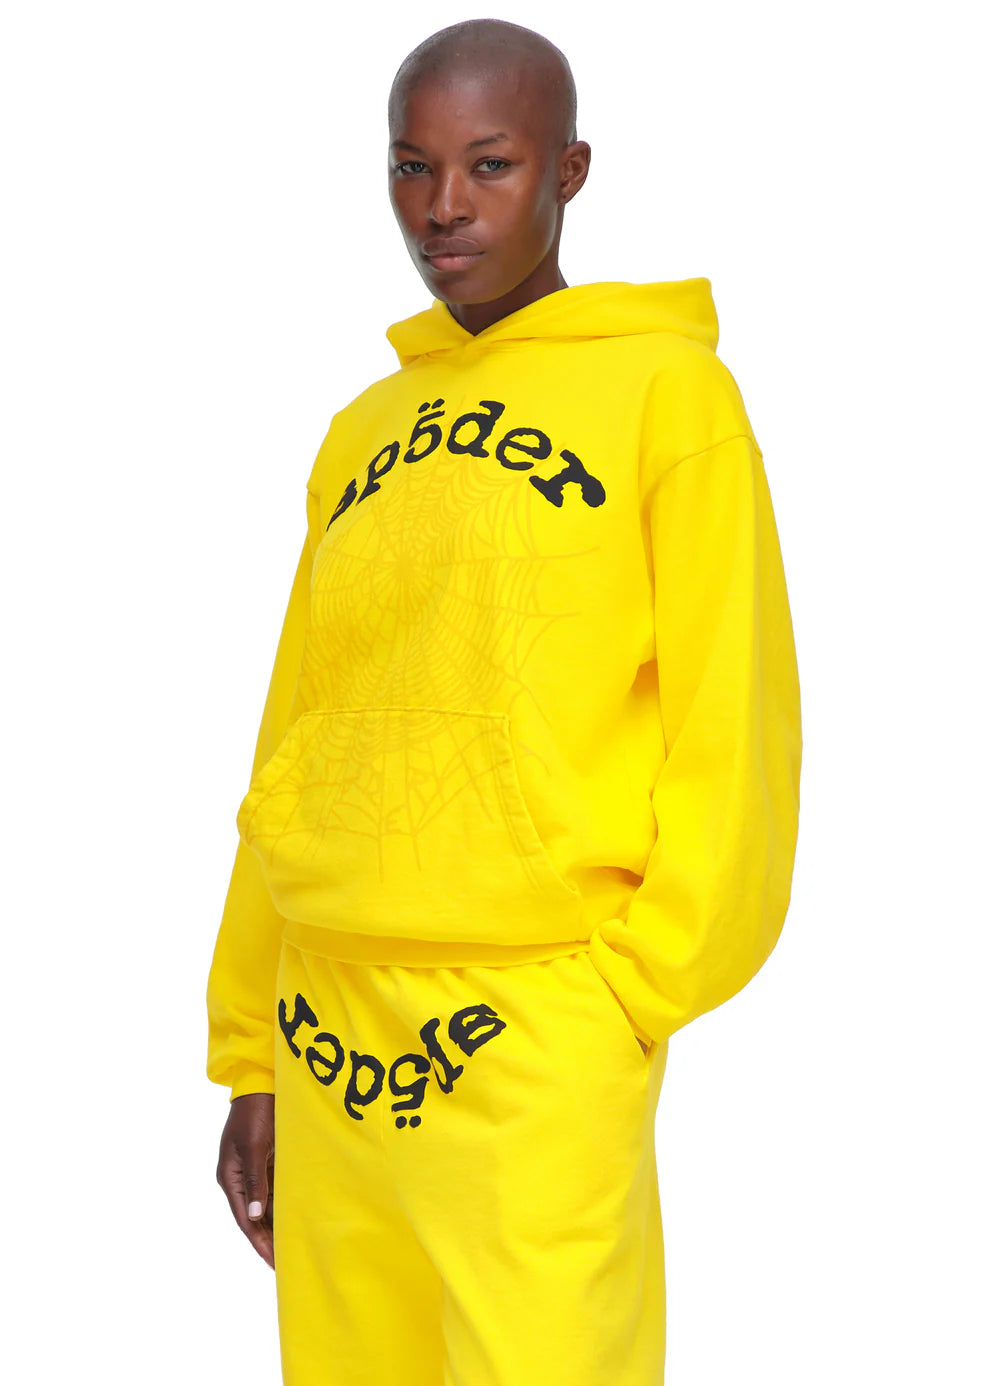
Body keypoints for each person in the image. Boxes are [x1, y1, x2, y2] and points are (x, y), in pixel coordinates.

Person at [205, 16, 802, 1385]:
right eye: (411, 167)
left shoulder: (667, 396)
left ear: (569, 170)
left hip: (534, 1029)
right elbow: (298, 729)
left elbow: (737, 720)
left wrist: (630, 995)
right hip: (327, 1024)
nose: (443, 207)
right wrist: (252, 1052)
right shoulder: (362, 432)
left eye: (490, 164)